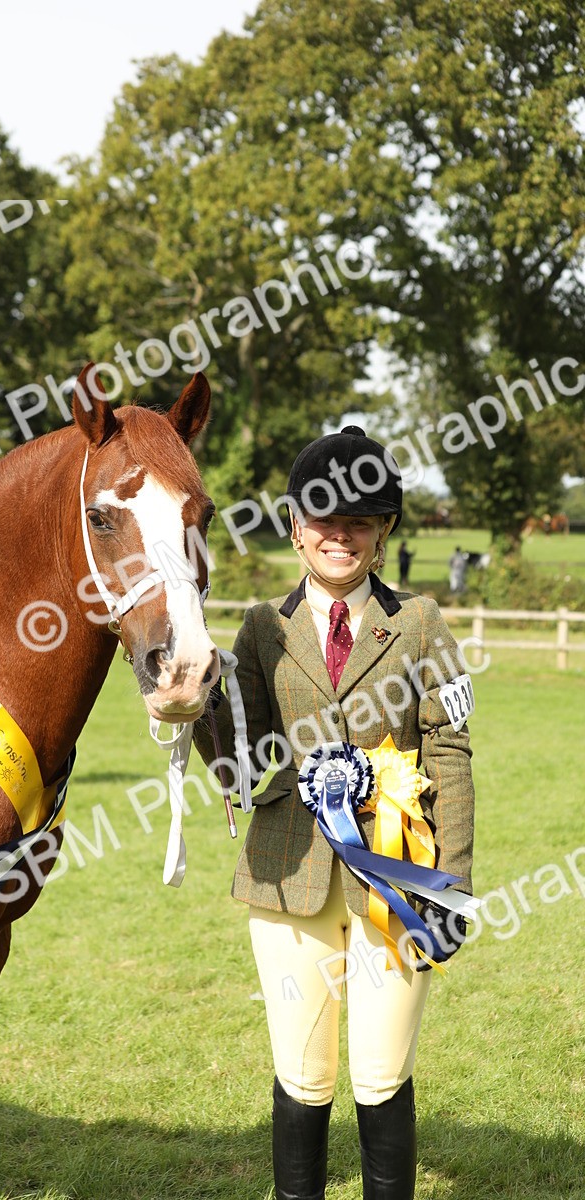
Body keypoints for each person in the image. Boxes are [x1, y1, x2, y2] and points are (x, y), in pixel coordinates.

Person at [193, 426, 475, 1200]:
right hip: (288, 877)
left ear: (382, 534)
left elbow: (449, 749)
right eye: (323, 518)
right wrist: (196, 705)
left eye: (360, 521)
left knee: (382, 1073)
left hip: (398, 877)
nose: (339, 535)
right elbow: (242, 765)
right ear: (295, 526)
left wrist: (451, 879)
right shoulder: (261, 626)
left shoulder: (419, 622)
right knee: (303, 1074)